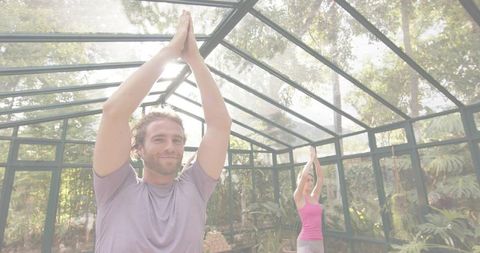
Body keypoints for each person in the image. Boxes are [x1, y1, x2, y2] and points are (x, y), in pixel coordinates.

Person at [92, 10, 231, 252]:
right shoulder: (115, 187)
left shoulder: (195, 186)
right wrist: (171, 50)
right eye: (159, 139)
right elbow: (114, 112)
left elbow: (220, 125)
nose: (171, 146)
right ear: (138, 149)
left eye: (177, 140)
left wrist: (194, 59)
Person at [294, 146, 324, 253]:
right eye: (308, 180)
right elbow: (303, 176)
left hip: (319, 240)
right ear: (301, 182)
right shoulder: (299, 197)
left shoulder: (314, 196)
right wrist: (310, 160)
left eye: (311, 180)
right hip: (305, 240)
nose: (311, 182)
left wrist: (315, 159)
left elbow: (320, 177)